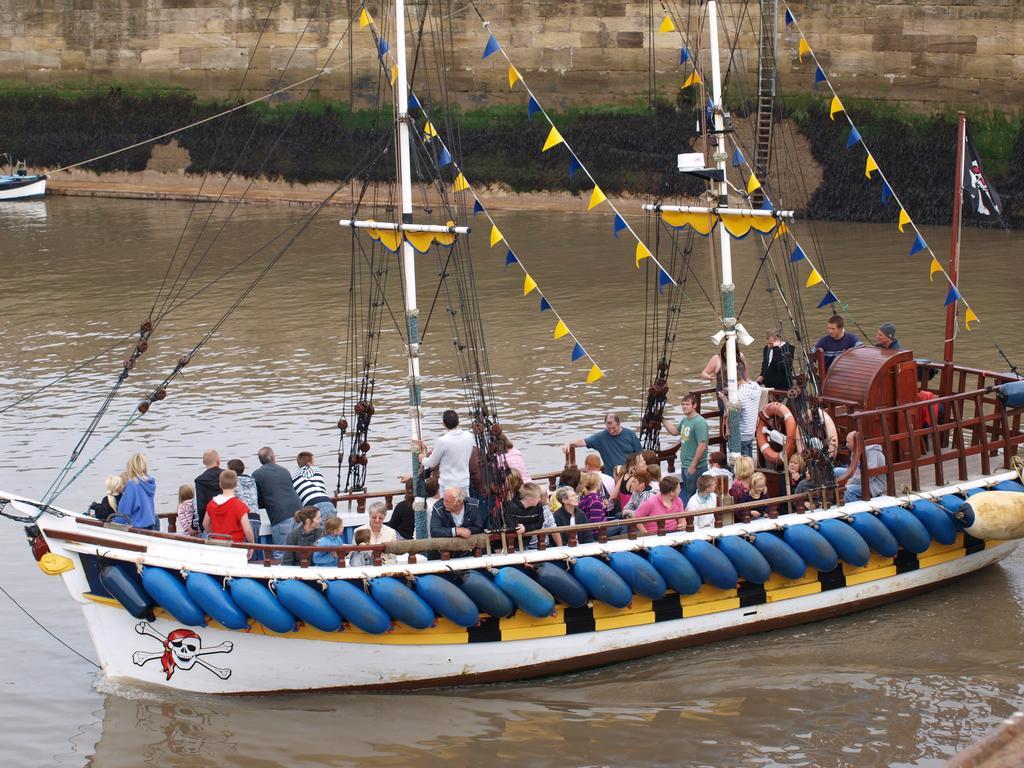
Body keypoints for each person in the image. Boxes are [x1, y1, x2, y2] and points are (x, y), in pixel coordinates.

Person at [562, 413, 642, 480]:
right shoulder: (601, 437)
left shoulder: (630, 434)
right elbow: (583, 442)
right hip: (612, 478)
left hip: (630, 476)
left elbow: (639, 455)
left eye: (614, 428)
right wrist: (569, 443)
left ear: (619, 424)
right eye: (608, 428)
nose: (611, 431)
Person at [253, 446, 304, 548]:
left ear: (260, 460)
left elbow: (257, 500)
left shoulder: (257, 474)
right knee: (301, 550)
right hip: (299, 512)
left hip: (280, 516)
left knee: (282, 553)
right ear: (273, 457)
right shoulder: (284, 470)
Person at [663, 392, 709, 499]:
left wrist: (693, 465)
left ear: (694, 405)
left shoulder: (699, 422)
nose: (684, 406)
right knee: (689, 494)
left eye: (687, 404)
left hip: (696, 467)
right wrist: (663, 419)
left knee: (696, 496)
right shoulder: (685, 420)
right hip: (685, 465)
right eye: (683, 404)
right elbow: (675, 431)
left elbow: (702, 445)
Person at [419, 410, 476, 494]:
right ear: (458, 421)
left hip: (448, 484)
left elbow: (431, 463)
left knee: (449, 506)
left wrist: (423, 459)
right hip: (464, 482)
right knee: (463, 506)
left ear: (444, 424)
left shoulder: (442, 441)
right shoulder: (469, 436)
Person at [203, 470, 255, 548]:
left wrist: (215, 535)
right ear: (236, 485)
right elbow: (247, 530)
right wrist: (252, 545)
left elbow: (205, 524)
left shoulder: (211, 504)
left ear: (220, 485)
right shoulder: (239, 506)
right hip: (234, 546)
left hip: (216, 545)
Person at [837, 431, 887, 503]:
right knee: (835, 471)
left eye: (848, 442)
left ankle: (856, 509)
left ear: (856, 442)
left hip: (873, 484)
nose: (846, 445)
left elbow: (870, 477)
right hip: (858, 479)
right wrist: (849, 479)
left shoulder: (872, 452)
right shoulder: (855, 451)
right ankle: (833, 498)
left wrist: (850, 481)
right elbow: (853, 471)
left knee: (847, 490)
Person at [116, 452, 158, 530]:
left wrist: (116, 522)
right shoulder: (150, 482)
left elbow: (124, 512)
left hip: (136, 529)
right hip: (150, 527)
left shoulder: (133, 484)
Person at [292, 451, 337, 522]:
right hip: (327, 503)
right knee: (331, 530)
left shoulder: (293, 477)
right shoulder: (318, 471)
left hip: (311, 506)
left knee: (316, 532)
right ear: (310, 463)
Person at [227, 459, 260, 542]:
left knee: (243, 552)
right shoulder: (252, 481)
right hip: (256, 518)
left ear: (231, 471)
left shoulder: (233, 482)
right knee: (253, 550)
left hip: (243, 519)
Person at [736, 362, 762, 458]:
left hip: (741, 434)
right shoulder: (756, 387)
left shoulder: (738, 395)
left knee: (742, 467)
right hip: (751, 431)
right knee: (749, 462)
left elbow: (734, 415)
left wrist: (725, 399)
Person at [193, 449, 223, 533]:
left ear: (204, 463)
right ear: (218, 461)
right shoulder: (226, 476)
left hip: (210, 523)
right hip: (227, 520)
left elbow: (200, 506)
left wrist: (199, 526)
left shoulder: (200, 481)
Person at [510, 482, 547, 550]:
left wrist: (526, 528)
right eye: (538, 497)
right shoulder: (511, 507)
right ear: (530, 500)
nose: (539, 499)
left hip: (526, 543)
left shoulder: (538, 506)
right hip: (509, 544)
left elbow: (539, 523)